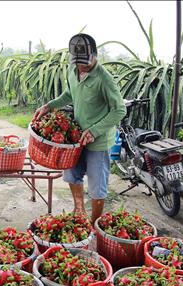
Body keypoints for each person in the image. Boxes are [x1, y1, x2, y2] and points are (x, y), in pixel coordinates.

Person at [36, 33, 125, 224]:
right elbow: (68, 94)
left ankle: (94, 225)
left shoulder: (104, 79)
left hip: (98, 142)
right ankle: (79, 211)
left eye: (85, 61)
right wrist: (48, 106)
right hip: (75, 139)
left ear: (95, 54)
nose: (81, 66)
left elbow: (119, 110)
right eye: (78, 62)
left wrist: (94, 130)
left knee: (97, 187)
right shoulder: (72, 70)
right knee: (72, 174)